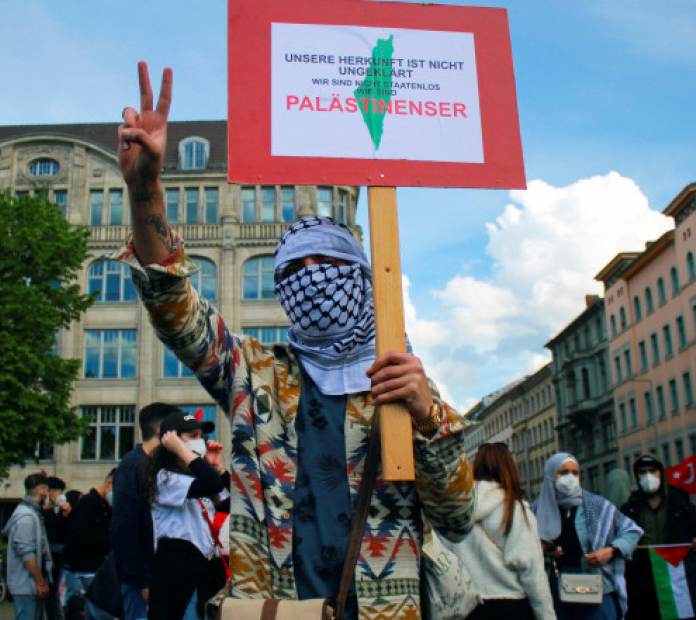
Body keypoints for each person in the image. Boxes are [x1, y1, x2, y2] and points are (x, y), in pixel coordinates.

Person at [112, 62, 473, 619]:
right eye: (293, 270)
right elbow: (175, 306)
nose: (311, 276)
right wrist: (145, 191)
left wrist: (429, 419)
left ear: (359, 273)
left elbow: (457, 517)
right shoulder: (252, 373)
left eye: (326, 262)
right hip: (274, 609)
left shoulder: (401, 385)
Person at [445, 443, 554, 620]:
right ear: (509, 468)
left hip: (464, 607)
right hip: (511, 607)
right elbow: (533, 573)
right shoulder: (516, 511)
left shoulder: (454, 511)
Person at [534, 453, 642, 620]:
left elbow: (632, 531)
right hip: (553, 588)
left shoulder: (595, 504)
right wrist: (543, 551)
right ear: (550, 475)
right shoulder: (536, 510)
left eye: (575, 473)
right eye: (563, 472)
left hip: (593, 584)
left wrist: (611, 551)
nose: (570, 477)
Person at [146, 410, 228, 620]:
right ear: (171, 442)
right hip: (178, 571)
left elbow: (229, 505)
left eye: (201, 436)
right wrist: (185, 453)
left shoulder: (194, 478)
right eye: (192, 437)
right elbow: (211, 484)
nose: (199, 442)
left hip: (203, 572)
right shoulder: (164, 478)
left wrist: (217, 468)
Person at [621, 455, 696, 620]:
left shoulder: (681, 503)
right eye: (642, 472)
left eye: (652, 471)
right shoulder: (630, 508)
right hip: (643, 581)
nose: (648, 476)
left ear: (661, 473)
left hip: (677, 577)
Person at [110, 403, 175, 620]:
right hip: (140, 580)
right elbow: (124, 527)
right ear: (161, 431)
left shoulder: (155, 465)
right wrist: (142, 579)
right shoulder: (132, 466)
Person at [62, 470, 117, 620]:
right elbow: (80, 535)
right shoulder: (89, 503)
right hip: (85, 569)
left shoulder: (104, 506)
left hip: (92, 569)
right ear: (109, 484)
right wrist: (109, 542)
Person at [4, 474, 53, 620]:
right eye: (47, 490)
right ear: (42, 490)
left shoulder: (33, 513)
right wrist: (40, 582)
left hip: (30, 585)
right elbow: (27, 554)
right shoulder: (26, 517)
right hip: (26, 586)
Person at [43, 477, 68, 620]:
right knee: (52, 598)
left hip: (56, 560)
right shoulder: (44, 514)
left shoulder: (55, 514)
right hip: (51, 560)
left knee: (53, 597)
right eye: (59, 492)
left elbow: (62, 534)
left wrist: (65, 516)